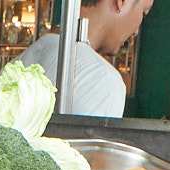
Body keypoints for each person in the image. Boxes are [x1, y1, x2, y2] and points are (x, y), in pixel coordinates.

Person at [16, 0, 152, 118]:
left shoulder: (19, 62)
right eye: (143, 12)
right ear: (121, 1)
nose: (136, 31)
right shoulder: (104, 80)